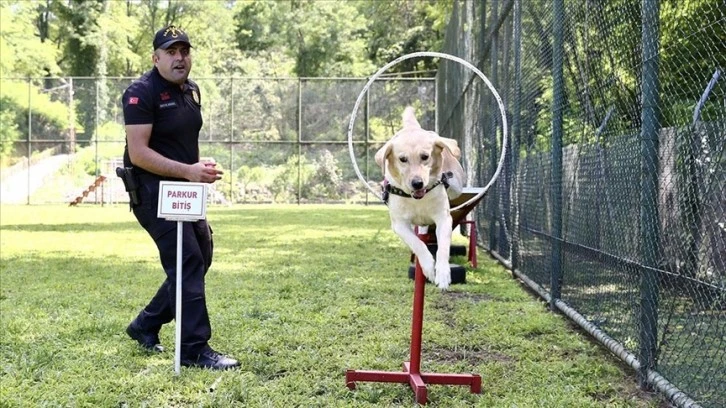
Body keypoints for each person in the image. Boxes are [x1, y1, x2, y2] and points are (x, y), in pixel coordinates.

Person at [120, 25, 239, 370]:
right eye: (171, 52)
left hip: (183, 190)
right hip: (150, 190)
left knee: (200, 255)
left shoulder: (191, 90)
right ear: (156, 58)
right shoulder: (140, 93)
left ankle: (145, 324)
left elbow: (182, 142)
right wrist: (188, 171)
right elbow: (139, 153)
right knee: (187, 261)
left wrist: (197, 170)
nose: (179, 58)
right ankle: (193, 349)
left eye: (184, 51)